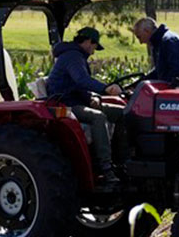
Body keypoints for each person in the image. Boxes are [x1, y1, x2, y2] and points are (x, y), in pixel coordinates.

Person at [46, 26, 124, 187]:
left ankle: (124, 160)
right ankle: (106, 168)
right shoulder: (72, 56)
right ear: (88, 42)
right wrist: (105, 89)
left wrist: (91, 97)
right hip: (65, 103)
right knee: (98, 117)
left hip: (77, 99)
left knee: (124, 113)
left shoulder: (76, 56)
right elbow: (81, 80)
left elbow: (76, 85)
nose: (94, 51)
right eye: (95, 46)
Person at [132, 17, 179, 89]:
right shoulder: (158, 44)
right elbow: (159, 72)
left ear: (147, 31)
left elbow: (178, 72)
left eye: (139, 37)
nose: (141, 42)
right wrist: (136, 85)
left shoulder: (169, 41)